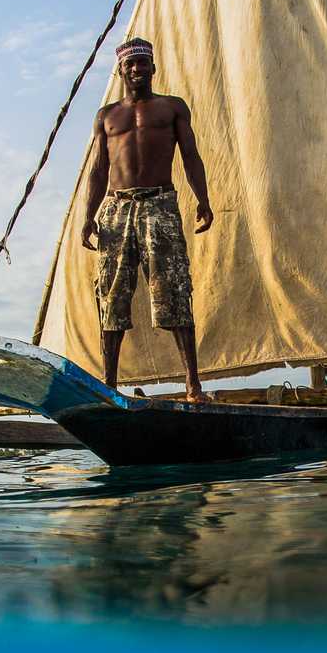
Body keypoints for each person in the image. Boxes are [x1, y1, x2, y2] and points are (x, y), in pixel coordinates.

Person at [80, 37, 213, 402]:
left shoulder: (171, 109)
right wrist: (88, 217)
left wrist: (203, 199)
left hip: (160, 204)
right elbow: (97, 170)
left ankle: (193, 384)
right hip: (116, 208)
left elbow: (190, 155)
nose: (137, 69)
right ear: (121, 70)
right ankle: (108, 384)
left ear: (153, 68)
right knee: (111, 296)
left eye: (143, 63)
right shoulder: (106, 116)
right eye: (130, 64)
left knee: (174, 290)